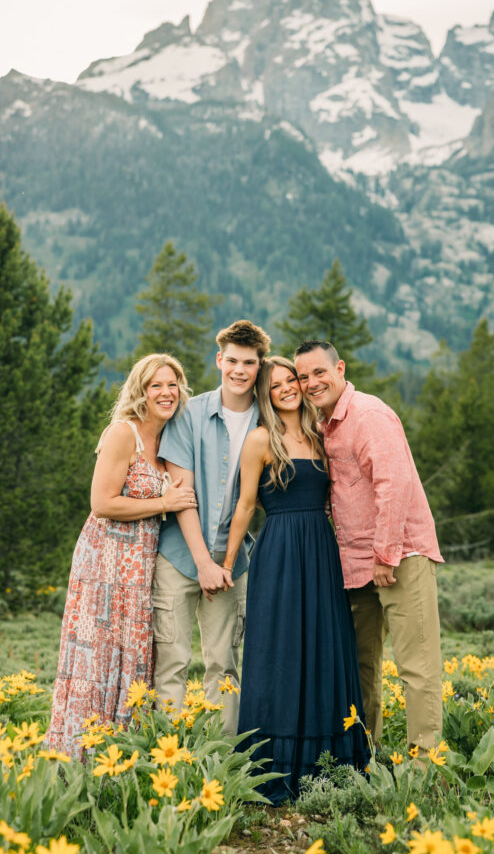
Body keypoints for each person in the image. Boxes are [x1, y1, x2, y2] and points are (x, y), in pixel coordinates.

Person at [223, 357, 370, 803]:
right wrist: (228, 563)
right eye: (277, 384)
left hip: (323, 554)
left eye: (293, 380)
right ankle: (276, 768)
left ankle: (332, 765)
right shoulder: (260, 440)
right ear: (264, 394)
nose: (287, 388)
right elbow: (246, 507)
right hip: (280, 553)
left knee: (326, 646)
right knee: (280, 651)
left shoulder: (320, 435)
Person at [294, 341, 444, 761]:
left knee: (417, 666)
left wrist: (384, 555)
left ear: (339, 368)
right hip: (355, 564)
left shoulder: (368, 415)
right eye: (303, 377)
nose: (311, 383)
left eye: (319, 372)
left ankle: (424, 764)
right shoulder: (324, 425)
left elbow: (392, 487)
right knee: (361, 667)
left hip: (400, 557)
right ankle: (365, 755)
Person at [45, 354, 196, 758]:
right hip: (106, 560)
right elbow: (102, 503)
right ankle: (80, 753)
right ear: (140, 392)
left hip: (141, 564)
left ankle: (121, 753)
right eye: (156, 385)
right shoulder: (122, 433)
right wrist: (163, 502)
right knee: (98, 653)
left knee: (133, 654)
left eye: (172, 384)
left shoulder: (170, 438)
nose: (166, 393)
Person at [152, 320, 271, 733]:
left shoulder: (268, 423)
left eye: (249, 363)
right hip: (180, 558)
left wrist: (224, 562)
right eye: (232, 360)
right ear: (219, 360)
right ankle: (170, 761)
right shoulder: (188, 414)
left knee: (224, 665)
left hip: (234, 562)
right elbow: (182, 496)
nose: (240, 370)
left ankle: (221, 761)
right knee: (171, 663)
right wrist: (205, 564)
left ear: (260, 367)